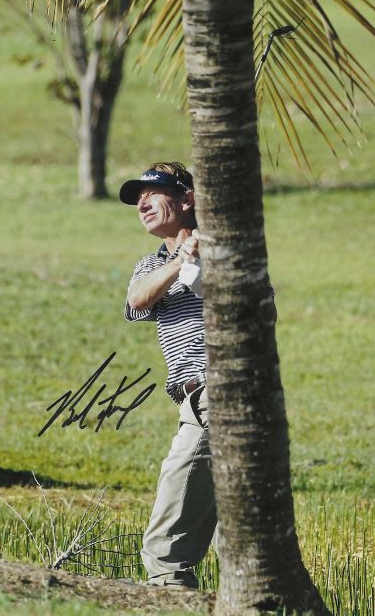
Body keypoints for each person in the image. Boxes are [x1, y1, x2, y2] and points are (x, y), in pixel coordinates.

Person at [120, 161, 215, 590]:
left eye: (152, 192)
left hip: (218, 392)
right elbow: (138, 300)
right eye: (136, 197)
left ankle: (170, 598)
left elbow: (263, 308)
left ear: (187, 199)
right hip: (192, 401)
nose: (141, 202)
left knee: (166, 544)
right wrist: (181, 260)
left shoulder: (224, 247)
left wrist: (203, 257)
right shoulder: (153, 262)